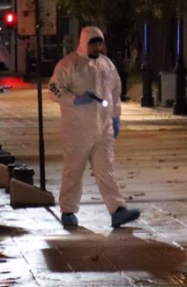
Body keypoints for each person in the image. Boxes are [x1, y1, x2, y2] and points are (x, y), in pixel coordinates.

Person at [48, 26, 140, 228]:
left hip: (102, 127)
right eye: (93, 43)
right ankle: (68, 209)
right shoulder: (69, 64)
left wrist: (115, 118)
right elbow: (54, 89)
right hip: (76, 129)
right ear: (84, 43)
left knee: (106, 169)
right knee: (73, 170)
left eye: (99, 43)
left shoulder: (107, 65)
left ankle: (117, 209)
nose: (97, 47)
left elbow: (115, 92)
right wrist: (73, 99)